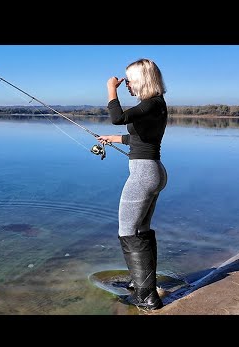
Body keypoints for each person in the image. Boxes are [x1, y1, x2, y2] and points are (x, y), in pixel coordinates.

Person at [97, 58, 168, 310]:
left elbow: (117, 117)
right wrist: (112, 138)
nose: (126, 84)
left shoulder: (150, 104)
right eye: (123, 80)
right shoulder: (155, 105)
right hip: (153, 172)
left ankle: (146, 297)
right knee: (141, 230)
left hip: (143, 175)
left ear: (143, 79)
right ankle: (142, 284)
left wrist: (110, 89)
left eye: (129, 79)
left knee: (127, 231)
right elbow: (138, 137)